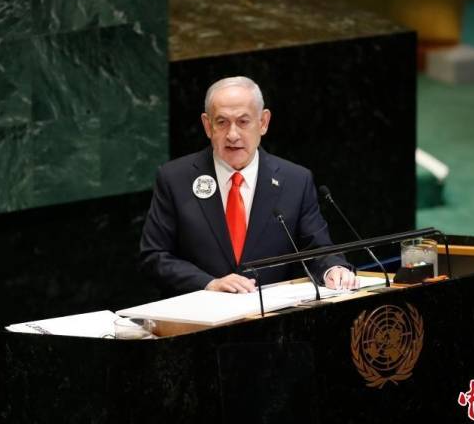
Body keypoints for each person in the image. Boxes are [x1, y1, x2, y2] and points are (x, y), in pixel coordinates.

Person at [140, 76, 359, 295]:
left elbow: (318, 249)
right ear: (207, 126)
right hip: (200, 310)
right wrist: (208, 283)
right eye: (222, 122)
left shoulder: (295, 180)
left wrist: (333, 269)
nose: (232, 135)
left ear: (263, 122)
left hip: (271, 313)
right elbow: (155, 255)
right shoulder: (175, 178)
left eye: (243, 122)